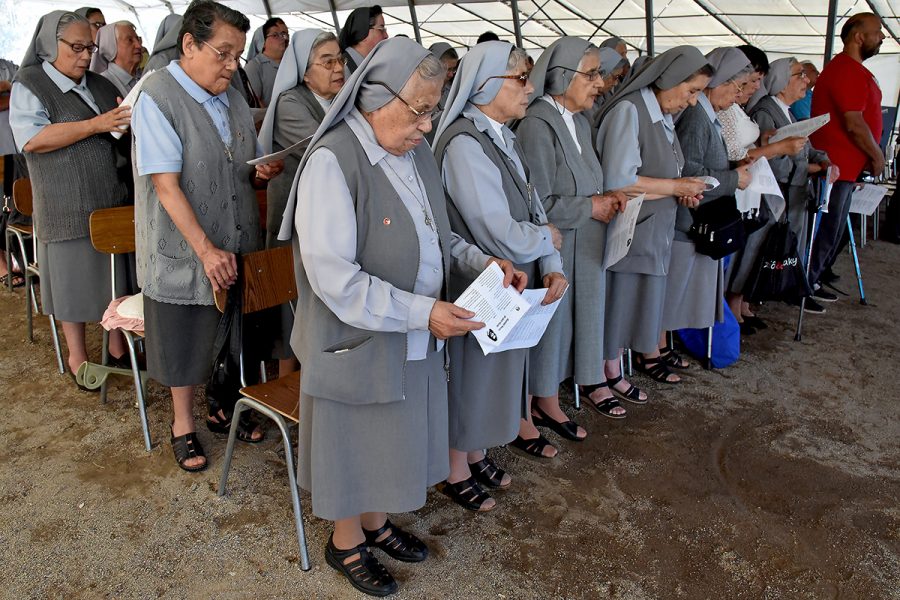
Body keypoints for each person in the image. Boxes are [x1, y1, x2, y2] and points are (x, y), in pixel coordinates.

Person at [281, 36, 523, 597]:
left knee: (386, 433)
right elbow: (334, 279)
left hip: (411, 326)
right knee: (356, 434)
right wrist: (422, 312)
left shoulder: (413, 153)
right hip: (355, 339)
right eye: (419, 110)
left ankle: (375, 523)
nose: (426, 125)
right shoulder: (331, 161)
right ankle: (345, 543)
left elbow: (440, 235)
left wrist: (483, 261)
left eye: (433, 110)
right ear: (376, 96)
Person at [131, 0, 283, 472]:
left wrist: (262, 173)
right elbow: (164, 184)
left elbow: (242, 160)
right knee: (186, 331)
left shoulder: (232, 95)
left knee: (231, 326)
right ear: (189, 44)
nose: (232, 65)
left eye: (237, 55)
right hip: (185, 244)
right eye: (222, 53)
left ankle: (221, 405)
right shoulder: (156, 96)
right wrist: (204, 248)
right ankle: (182, 424)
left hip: (235, 230)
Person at [432, 41, 565, 509]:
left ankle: (476, 449)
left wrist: (551, 263)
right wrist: (547, 242)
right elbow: (498, 229)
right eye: (520, 78)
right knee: (472, 374)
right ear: (488, 84)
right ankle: (454, 466)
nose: (530, 87)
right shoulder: (465, 143)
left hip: (510, 279)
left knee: (499, 369)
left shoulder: (501, 134)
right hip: (477, 279)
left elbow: (531, 204)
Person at [10, 10, 134, 388]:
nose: (84, 56)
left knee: (113, 278)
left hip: (107, 199)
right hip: (63, 202)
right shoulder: (29, 84)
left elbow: (118, 127)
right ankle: (77, 355)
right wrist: (97, 124)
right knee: (71, 284)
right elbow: (33, 139)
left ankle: (117, 347)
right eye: (76, 47)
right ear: (50, 44)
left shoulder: (96, 82)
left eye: (90, 48)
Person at [516, 38, 627, 431]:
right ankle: (535, 403)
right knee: (550, 330)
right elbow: (538, 202)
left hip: (586, 245)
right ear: (562, 78)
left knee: (571, 327)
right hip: (558, 249)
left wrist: (606, 199)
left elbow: (584, 181)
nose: (600, 82)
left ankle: (550, 396)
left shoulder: (579, 120)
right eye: (592, 74)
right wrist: (590, 207)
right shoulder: (536, 125)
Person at [594, 46, 711, 394]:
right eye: (691, 91)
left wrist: (679, 190)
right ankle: (603, 374)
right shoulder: (629, 111)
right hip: (630, 231)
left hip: (651, 230)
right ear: (671, 79)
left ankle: (612, 369)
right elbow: (619, 180)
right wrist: (675, 186)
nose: (692, 102)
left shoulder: (660, 114)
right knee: (619, 304)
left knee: (633, 304)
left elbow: (660, 176)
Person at [258, 28, 345, 377]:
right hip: (293, 223)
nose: (338, 67)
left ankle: (313, 376)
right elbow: (330, 145)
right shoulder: (290, 102)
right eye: (327, 61)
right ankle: (288, 381)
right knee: (293, 302)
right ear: (304, 70)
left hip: (324, 218)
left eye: (340, 59)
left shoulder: (339, 97)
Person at [664, 47, 753, 373]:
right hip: (690, 218)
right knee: (675, 291)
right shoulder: (697, 117)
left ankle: (662, 347)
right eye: (737, 87)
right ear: (719, 82)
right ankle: (658, 348)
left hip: (698, 216)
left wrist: (731, 167)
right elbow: (690, 167)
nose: (739, 95)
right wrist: (733, 177)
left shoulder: (706, 115)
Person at [719, 45, 809, 330]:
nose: (753, 86)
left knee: (748, 250)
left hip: (752, 188)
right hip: (742, 187)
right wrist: (777, 147)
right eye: (749, 80)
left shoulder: (741, 108)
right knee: (737, 254)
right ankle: (728, 310)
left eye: (756, 80)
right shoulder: (750, 109)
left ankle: (738, 304)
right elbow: (735, 157)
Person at [749, 57, 836, 313]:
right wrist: (809, 169)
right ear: (781, 82)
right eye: (800, 75)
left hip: (794, 192)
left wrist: (822, 159)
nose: (806, 81)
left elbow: (804, 148)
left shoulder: (784, 111)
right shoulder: (766, 112)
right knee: (766, 249)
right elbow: (772, 162)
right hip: (778, 195)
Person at [809, 13, 884, 293]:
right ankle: (809, 281)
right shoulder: (845, 69)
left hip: (847, 167)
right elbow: (854, 123)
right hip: (835, 166)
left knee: (836, 228)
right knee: (828, 228)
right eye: (877, 32)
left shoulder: (855, 70)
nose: (882, 37)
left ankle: (817, 273)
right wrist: (876, 155)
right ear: (859, 37)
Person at [89, 22, 143, 96]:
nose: (138, 45)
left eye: (138, 39)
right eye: (129, 40)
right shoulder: (104, 83)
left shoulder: (143, 74)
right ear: (111, 47)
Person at [243, 17, 288, 106]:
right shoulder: (255, 66)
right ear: (263, 42)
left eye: (285, 34)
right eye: (275, 35)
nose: (284, 38)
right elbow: (255, 102)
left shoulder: (292, 63)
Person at [423, 42, 457, 143]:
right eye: (447, 69)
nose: (451, 74)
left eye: (453, 69)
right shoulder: (419, 93)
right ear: (434, 65)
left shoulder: (450, 91)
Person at [338, 5, 387, 73]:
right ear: (363, 32)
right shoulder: (342, 69)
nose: (386, 35)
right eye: (381, 29)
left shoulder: (361, 65)